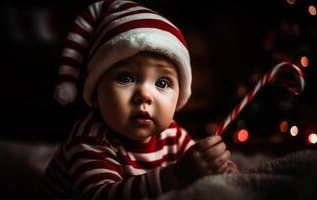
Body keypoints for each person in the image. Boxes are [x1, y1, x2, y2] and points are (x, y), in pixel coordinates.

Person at [45, 0, 238, 199]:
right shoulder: (89, 139)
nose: (145, 95)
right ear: (95, 90)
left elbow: (195, 163)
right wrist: (173, 176)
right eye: (126, 78)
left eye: (162, 83)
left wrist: (218, 169)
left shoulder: (172, 134)